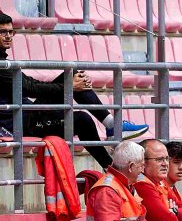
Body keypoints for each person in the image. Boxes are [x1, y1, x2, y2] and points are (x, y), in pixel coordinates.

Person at [0, 13, 148, 166]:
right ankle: (110, 165)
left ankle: (111, 127)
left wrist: (71, 85)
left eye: (11, 32)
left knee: (72, 75)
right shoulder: (1, 67)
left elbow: (31, 83)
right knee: (82, 119)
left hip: (28, 113)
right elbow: (30, 89)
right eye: (3, 32)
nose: (8, 36)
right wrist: (69, 87)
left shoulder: (5, 63)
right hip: (20, 125)